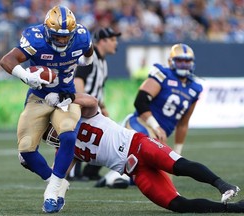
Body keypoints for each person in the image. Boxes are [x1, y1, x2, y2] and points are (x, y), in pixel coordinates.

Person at [44, 92, 242, 213]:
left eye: (51, 129)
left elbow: (91, 101)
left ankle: (223, 185)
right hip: (135, 172)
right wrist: (32, 162)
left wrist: (64, 96)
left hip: (139, 145)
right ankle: (234, 208)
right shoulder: (67, 149)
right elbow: (57, 176)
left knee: (179, 166)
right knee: (177, 204)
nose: (52, 135)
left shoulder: (83, 115)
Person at [0, 5, 94, 213]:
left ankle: (52, 192)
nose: (62, 41)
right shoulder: (36, 38)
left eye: (65, 37)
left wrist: (86, 61)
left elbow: (88, 52)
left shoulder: (81, 36)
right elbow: (7, 60)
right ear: (47, 31)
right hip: (39, 97)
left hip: (65, 97)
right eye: (57, 37)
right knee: (26, 153)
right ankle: (58, 181)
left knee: (68, 136)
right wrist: (27, 76)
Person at [97, 43, 203, 188]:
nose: (184, 64)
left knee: (150, 175)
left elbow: (183, 123)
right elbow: (140, 102)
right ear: (171, 61)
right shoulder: (163, 74)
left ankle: (111, 177)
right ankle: (115, 177)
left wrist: (177, 152)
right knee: (136, 155)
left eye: (187, 61)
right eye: (180, 60)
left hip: (158, 135)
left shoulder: (195, 88)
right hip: (140, 123)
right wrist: (155, 125)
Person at [71, 27, 121, 181]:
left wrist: (103, 107)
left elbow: (98, 88)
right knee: (79, 138)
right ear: (102, 41)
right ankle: (73, 172)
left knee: (105, 138)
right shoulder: (90, 57)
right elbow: (78, 80)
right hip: (86, 107)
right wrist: (82, 105)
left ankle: (90, 172)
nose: (116, 43)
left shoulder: (103, 62)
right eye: (112, 40)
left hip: (94, 108)